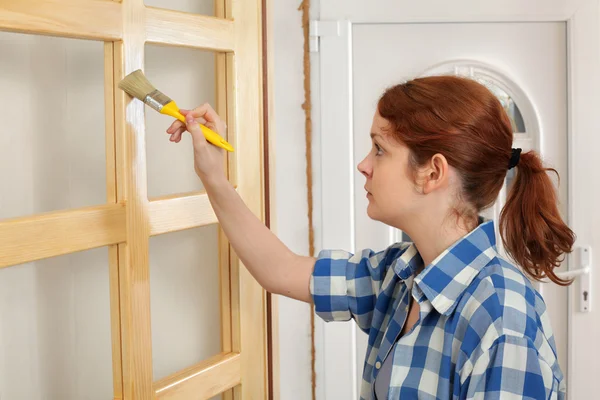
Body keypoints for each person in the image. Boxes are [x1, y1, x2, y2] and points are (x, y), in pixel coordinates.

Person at [165, 75, 573, 399]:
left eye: (379, 149)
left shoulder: (503, 319)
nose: (363, 165)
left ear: (432, 172)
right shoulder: (399, 274)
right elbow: (279, 270)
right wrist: (213, 176)